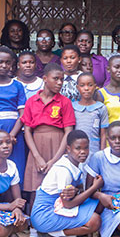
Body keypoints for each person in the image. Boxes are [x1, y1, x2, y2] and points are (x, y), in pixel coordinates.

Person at [30, 130, 102, 237]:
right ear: (68, 148)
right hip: (45, 215)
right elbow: (68, 204)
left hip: (58, 208)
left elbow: (78, 192)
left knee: (99, 203)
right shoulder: (64, 170)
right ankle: (52, 234)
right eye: (78, 148)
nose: (83, 152)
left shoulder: (74, 164)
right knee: (94, 222)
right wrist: (94, 187)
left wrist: (78, 191)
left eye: (86, 148)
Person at [21, 63, 75, 206]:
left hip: (58, 145)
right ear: (45, 78)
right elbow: (27, 130)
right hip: (36, 146)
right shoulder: (32, 101)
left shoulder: (65, 102)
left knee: (55, 188)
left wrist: (54, 160)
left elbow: (68, 131)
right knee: (35, 187)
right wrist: (37, 156)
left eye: (62, 79)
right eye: (56, 78)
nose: (59, 83)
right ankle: (34, 226)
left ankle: (53, 223)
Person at [73, 72, 109, 153]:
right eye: (82, 85)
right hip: (76, 150)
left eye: (90, 85)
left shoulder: (101, 108)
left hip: (94, 148)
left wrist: (102, 153)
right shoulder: (73, 107)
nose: (86, 88)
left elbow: (103, 134)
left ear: (95, 87)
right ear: (77, 87)